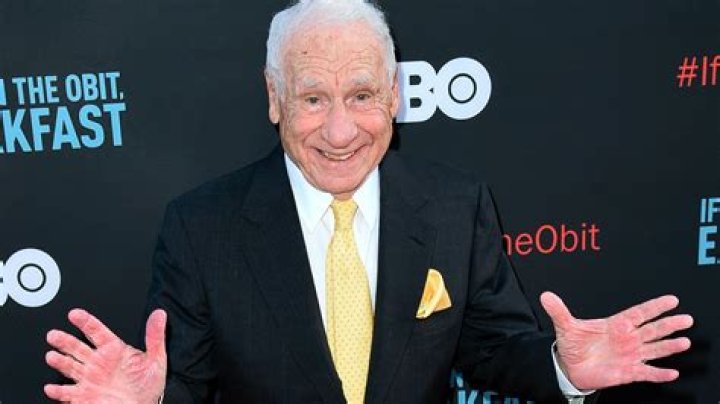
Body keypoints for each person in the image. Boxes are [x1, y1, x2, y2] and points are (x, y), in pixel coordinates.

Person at [43, 1, 693, 403]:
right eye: (312, 98)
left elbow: (496, 350)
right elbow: (183, 381)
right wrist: (150, 402)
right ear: (273, 98)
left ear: (394, 96)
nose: (339, 132)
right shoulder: (201, 228)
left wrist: (562, 368)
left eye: (360, 95)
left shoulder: (454, 206)